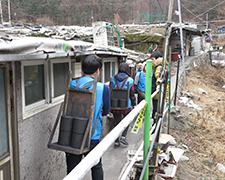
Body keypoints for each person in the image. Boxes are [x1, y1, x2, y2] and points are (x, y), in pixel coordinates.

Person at [67, 55, 110, 180]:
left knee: (72, 170)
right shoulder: (103, 88)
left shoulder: (72, 84)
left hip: (72, 134)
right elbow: (106, 111)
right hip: (93, 135)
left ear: (82, 69)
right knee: (96, 167)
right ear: (98, 70)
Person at [110, 62, 135, 148]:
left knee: (117, 122)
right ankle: (123, 137)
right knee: (127, 120)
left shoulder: (112, 79)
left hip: (114, 104)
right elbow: (132, 94)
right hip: (126, 105)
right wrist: (134, 104)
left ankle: (116, 141)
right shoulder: (130, 80)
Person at [150, 51, 164, 127]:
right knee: (156, 111)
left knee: (156, 111)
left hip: (157, 94)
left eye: (153, 59)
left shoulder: (158, 68)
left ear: (158, 59)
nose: (152, 61)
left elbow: (158, 77)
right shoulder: (160, 67)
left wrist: (158, 84)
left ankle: (155, 128)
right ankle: (155, 126)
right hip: (157, 94)